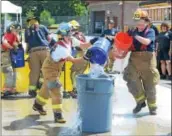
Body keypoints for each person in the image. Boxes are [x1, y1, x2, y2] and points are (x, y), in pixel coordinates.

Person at [32, 22, 95, 123]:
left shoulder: (70, 40)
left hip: (53, 68)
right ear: (65, 33)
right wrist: (85, 58)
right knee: (56, 89)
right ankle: (58, 115)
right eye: (70, 32)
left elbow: (83, 45)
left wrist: (93, 41)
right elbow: (73, 60)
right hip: (50, 69)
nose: (72, 33)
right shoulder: (62, 48)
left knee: (46, 87)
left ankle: (37, 104)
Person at [123, 9, 160, 115]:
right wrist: (121, 53)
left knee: (150, 83)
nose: (138, 23)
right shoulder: (132, 31)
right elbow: (127, 46)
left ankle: (152, 107)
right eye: (136, 21)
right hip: (134, 59)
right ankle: (140, 101)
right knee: (130, 78)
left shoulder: (151, 31)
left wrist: (135, 36)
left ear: (146, 21)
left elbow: (147, 42)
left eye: (140, 21)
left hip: (147, 59)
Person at [25, 16, 51, 97]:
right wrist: (47, 45)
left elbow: (27, 43)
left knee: (34, 71)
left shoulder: (27, 30)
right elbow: (49, 38)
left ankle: (32, 90)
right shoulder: (42, 27)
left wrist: (27, 53)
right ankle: (42, 85)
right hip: (44, 50)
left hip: (33, 51)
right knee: (46, 69)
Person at [68, 20, 88, 98]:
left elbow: (76, 48)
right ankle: (79, 90)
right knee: (80, 74)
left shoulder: (73, 36)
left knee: (74, 74)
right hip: (85, 57)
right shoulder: (82, 35)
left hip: (80, 55)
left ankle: (75, 90)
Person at [1, 23, 21, 97]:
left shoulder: (15, 35)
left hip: (11, 54)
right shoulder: (8, 35)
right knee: (9, 71)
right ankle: (6, 90)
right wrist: (12, 48)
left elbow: (17, 43)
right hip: (6, 54)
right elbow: (5, 43)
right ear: (12, 29)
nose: (18, 31)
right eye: (17, 29)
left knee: (14, 72)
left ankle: (12, 89)